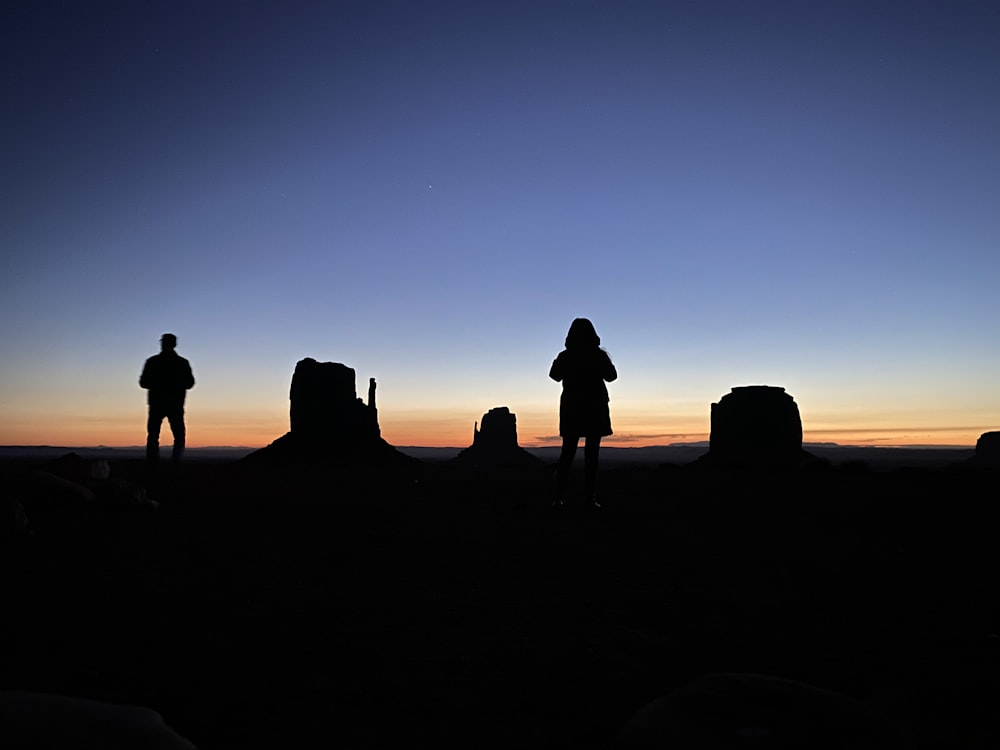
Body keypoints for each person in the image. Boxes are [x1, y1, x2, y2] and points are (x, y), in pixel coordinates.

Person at [549, 318, 617, 507]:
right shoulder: (598, 355)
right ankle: (589, 499)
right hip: (594, 407)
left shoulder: (566, 356)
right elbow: (612, 376)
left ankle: (558, 499)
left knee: (567, 454)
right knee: (591, 455)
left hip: (572, 408)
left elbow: (554, 375)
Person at [140, 333, 195, 468]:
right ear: (174, 344)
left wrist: (158, 384)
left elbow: (143, 382)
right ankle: (175, 464)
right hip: (174, 404)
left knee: (153, 435)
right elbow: (190, 383)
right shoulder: (182, 363)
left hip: (157, 404)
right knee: (178, 436)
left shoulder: (153, 361)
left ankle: (153, 464)